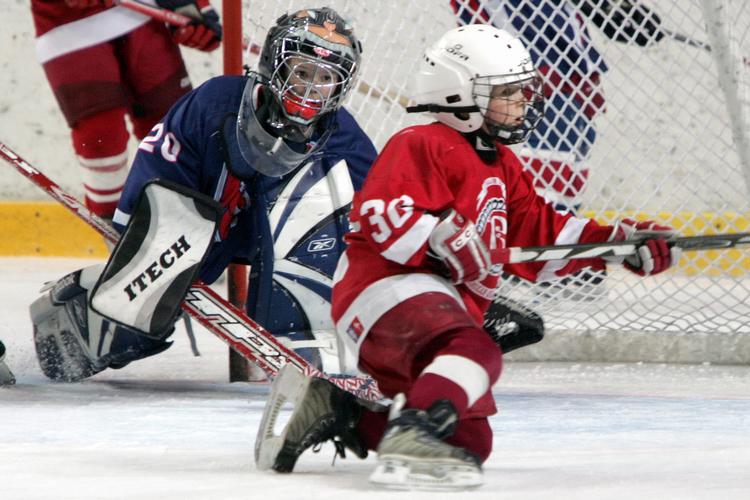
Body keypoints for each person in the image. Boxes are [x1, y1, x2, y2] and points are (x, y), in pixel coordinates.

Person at [254, 25, 680, 490]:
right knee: (475, 351)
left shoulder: (503, 166)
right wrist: (439, 233)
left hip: (433, 312)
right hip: (385, 290)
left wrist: (618, 244)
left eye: (521, 91)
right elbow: (376, 215)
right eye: (506, 92)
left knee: (471, 441)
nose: (521, 101)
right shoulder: (422, 143)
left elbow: (546, 236)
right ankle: (413, 433)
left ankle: (341, 410)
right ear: (459, 94)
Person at [28, 7, 377, 382]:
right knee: (127, 321)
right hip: (208, 231)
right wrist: (137, 251)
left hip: (278, 244)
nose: (309, 88)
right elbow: (157, 166)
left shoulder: (346, 141)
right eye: (301, 71)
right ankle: (90, 309)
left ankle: (301, 327)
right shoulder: (215, 104)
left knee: (323, 192)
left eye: (325, 77)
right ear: (275, 62)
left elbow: (372, 220)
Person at [450, 0, 665, 214]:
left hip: (568, 62)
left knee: (572, 163)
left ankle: (557, 233)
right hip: (529, 60)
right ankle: (536, 237)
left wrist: (607, 8)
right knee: (550, 160)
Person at [31, 0, 222, 220]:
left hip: (143, 15)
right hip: (66, 25)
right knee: (101, 136)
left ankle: (192, 229)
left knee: (174, 130)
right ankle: (116, 231)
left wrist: (190, 4)